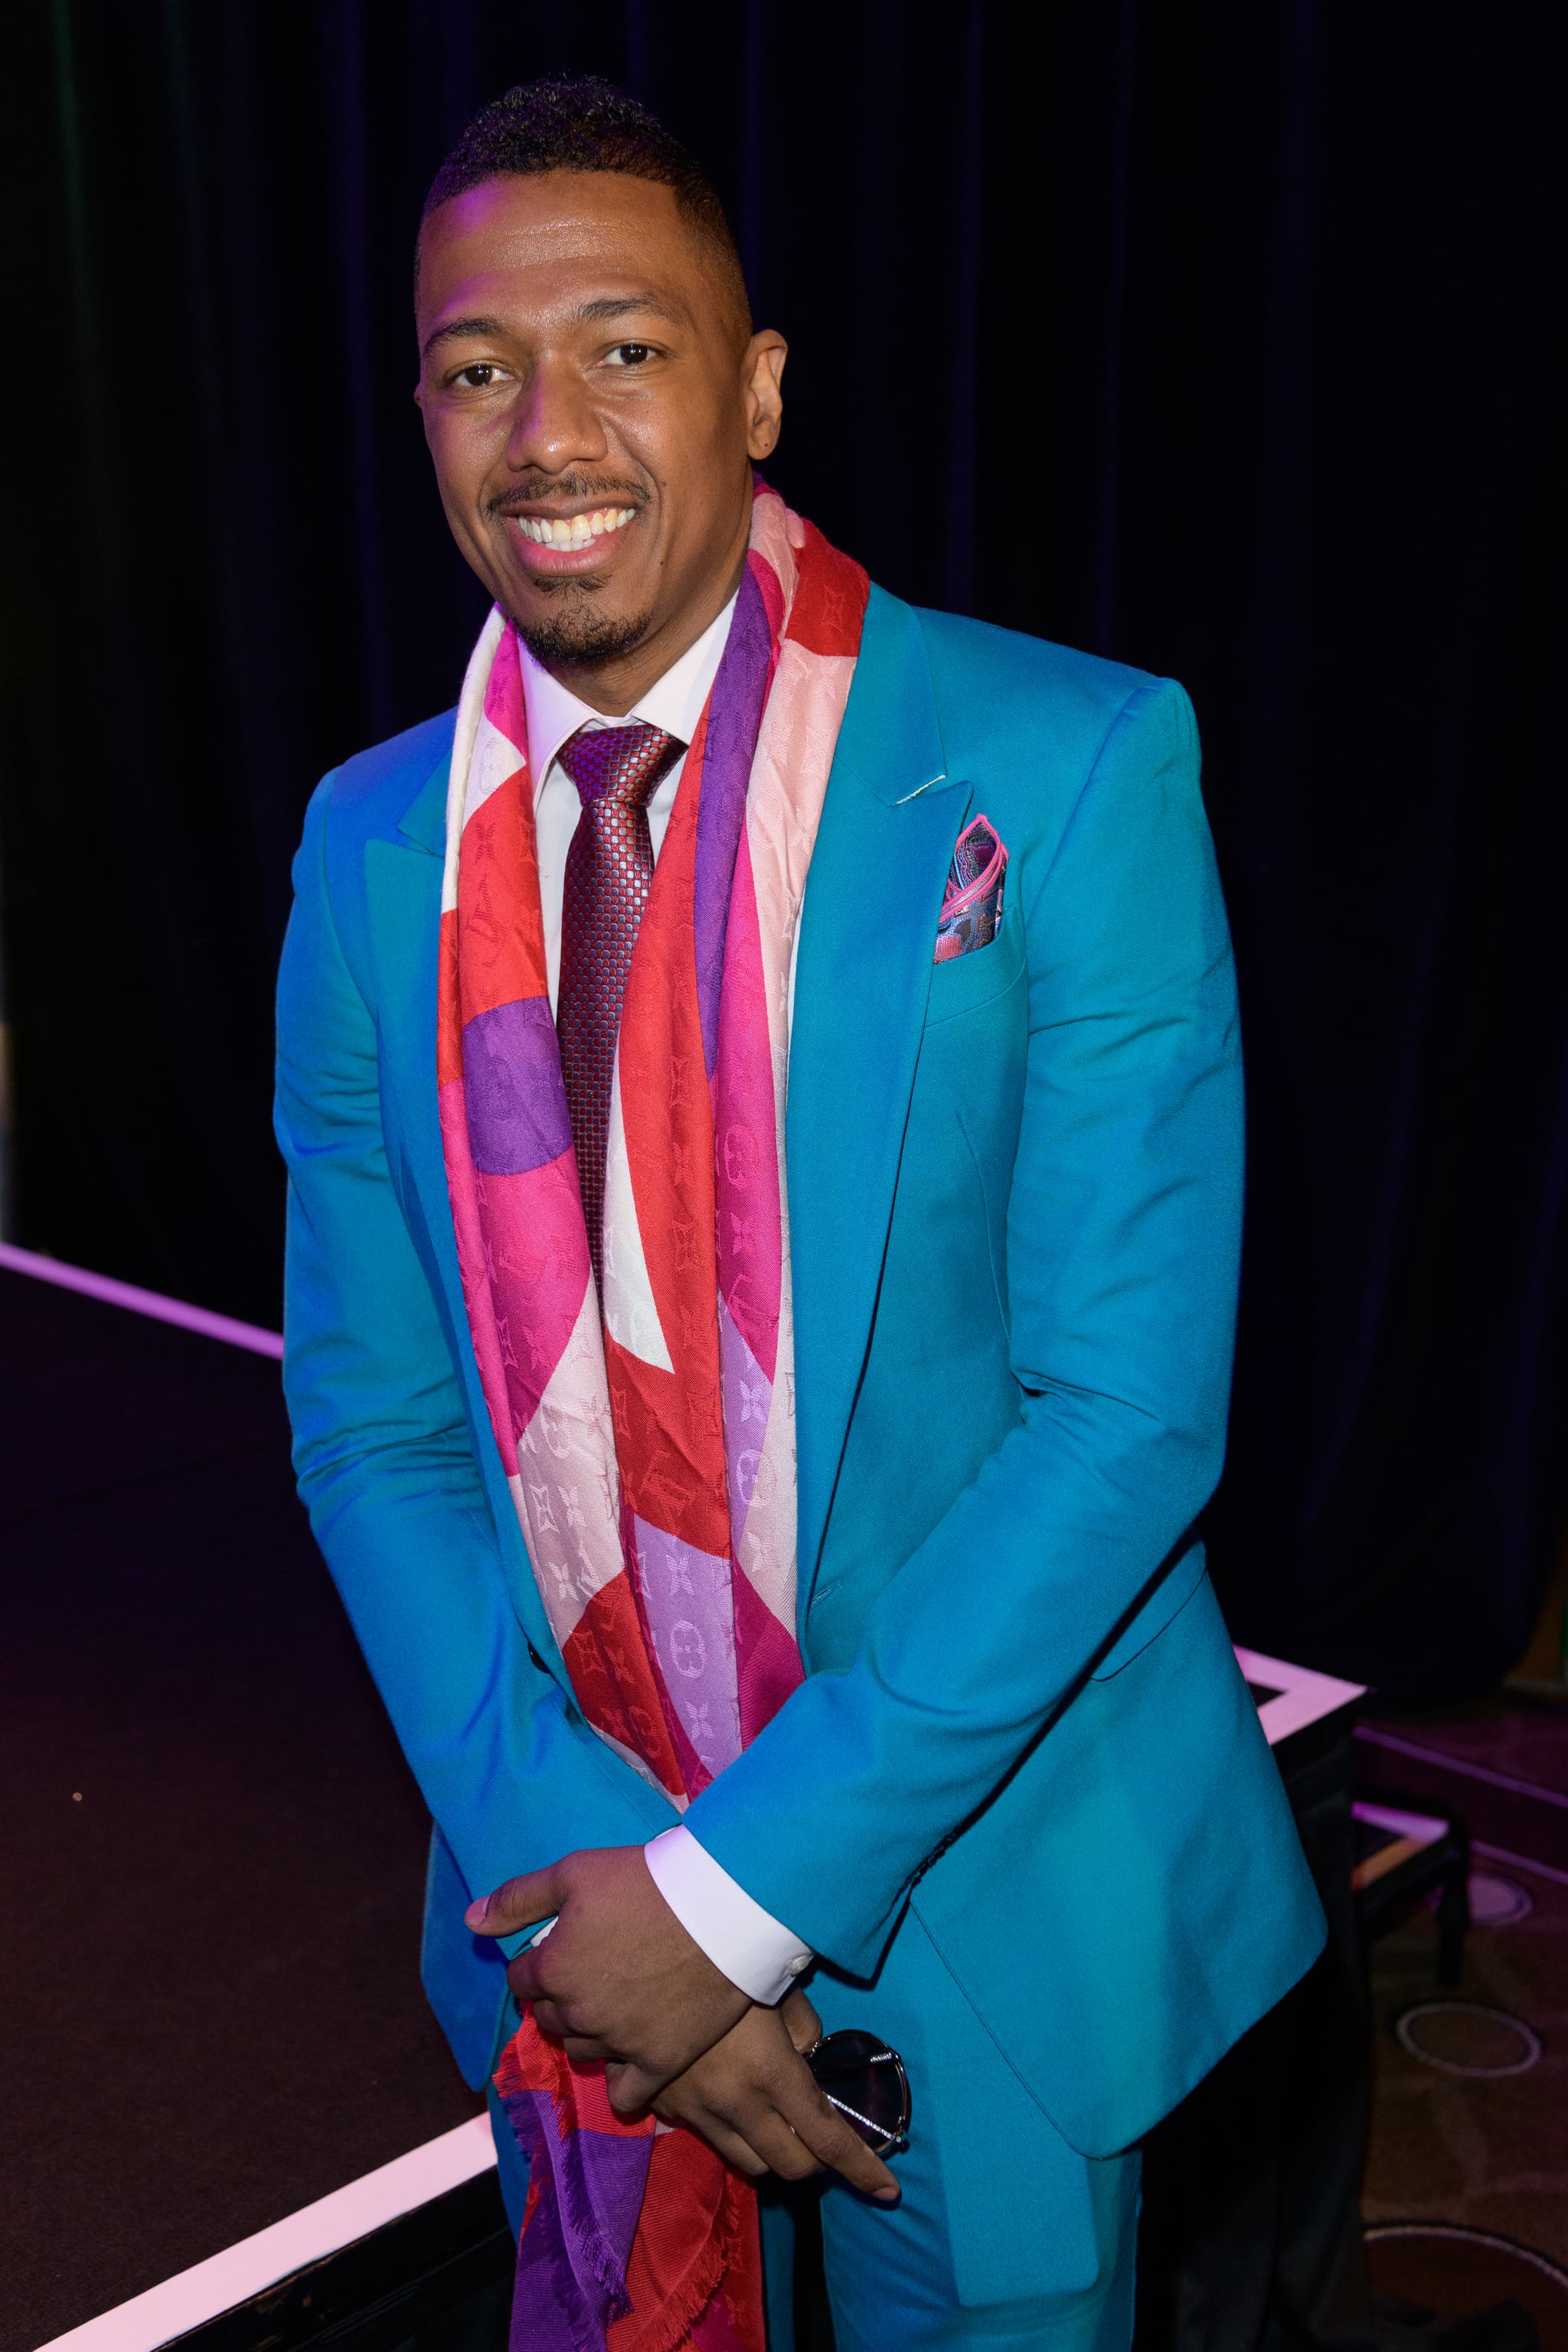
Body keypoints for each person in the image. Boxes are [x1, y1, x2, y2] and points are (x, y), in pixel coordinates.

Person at [275, 75, 1324, 2352]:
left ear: (756, 386)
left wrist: (741, 1894)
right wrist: (610, 1915)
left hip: (988, 1884)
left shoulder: (1067, 765)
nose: (542, 429)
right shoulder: (368, 855)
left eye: (624, 347)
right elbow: (373, 1431)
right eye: (477, 368)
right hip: (570, 1882)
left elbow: (1126, 1409)